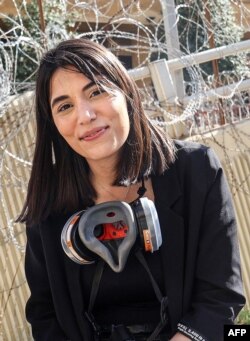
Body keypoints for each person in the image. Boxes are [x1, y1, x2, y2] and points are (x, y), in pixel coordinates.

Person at [19, 38, 245, 341]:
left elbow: (221, 298)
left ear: (126, 93)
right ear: (54, 124)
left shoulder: (197, 171)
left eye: (96, 92)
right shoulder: (48, 209)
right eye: (65, 106)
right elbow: (45, 319)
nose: (84, 116)